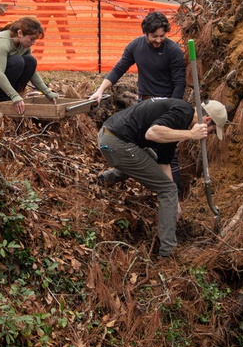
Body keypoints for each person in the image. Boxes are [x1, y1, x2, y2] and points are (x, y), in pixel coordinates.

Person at [98, 98, 228, 258]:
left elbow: (163, 162)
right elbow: (152, 133)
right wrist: (191, 134)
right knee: (168, 190)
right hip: (117, 144)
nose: (210, 135)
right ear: (207, 120)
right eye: (213, 130)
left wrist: (174, 204)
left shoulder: (179, 118)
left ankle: (103, 180)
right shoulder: (183, 112)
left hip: (111, 139)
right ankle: (167, 253)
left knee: (151, 161)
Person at [87, 11, 186, 102]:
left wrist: (173, 107)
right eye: (154, 36)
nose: (159, 40)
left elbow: (179, 83)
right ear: (146, 33)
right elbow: (118, 70)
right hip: (143, 101)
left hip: (166, 100)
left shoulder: (174, 51)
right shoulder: (135, 46)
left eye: (162, 36)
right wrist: (100, 90)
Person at [0, 16, 59, 114]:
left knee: (30, 61)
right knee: (17, 61)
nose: (33, 43)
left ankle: (16, 94)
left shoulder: (23, 45)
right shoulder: (3, 42)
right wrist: (13, 95)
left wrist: (47, 92)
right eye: (31, 39)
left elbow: (32, 71)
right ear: (20, 33)